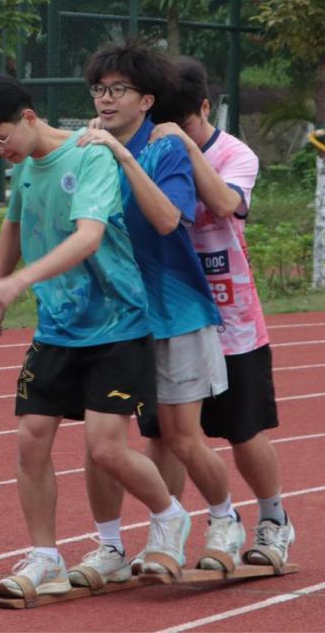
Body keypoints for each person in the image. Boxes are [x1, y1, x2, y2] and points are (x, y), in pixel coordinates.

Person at [0, 74, 188, 599]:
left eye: (1, 138)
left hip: (117, 325)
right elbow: (14, 225)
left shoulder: (90, 154)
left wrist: (19, 282)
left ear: (28, 117)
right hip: (58, 327)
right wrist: (0, 287)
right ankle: (46, 556)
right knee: (31, 439)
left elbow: (89, 238)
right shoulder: (25, 166)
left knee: (105, 449)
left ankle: (169, 517)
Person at [69, 42, 243, 583]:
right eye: (99, 90)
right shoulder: (85, 148)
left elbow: (169, 219)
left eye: (117, 90)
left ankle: (224, 521)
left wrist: (122, 156)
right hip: (113, 319)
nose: (105, 99)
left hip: (175, 311)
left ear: (146, 100)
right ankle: (112, 546)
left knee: (180, 436)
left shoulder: (164, 149)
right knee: (103, 444)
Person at [145, 56, 295, 571]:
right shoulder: (147, 148)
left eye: (184, 123)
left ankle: (273, 521)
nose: (172, 132)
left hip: (233, 321)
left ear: (205, 108)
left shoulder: (235, 153)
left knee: (242, 429)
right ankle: (166, 532)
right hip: (169, 312)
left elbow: (226, 204)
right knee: (161, 434)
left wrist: (185, 147)